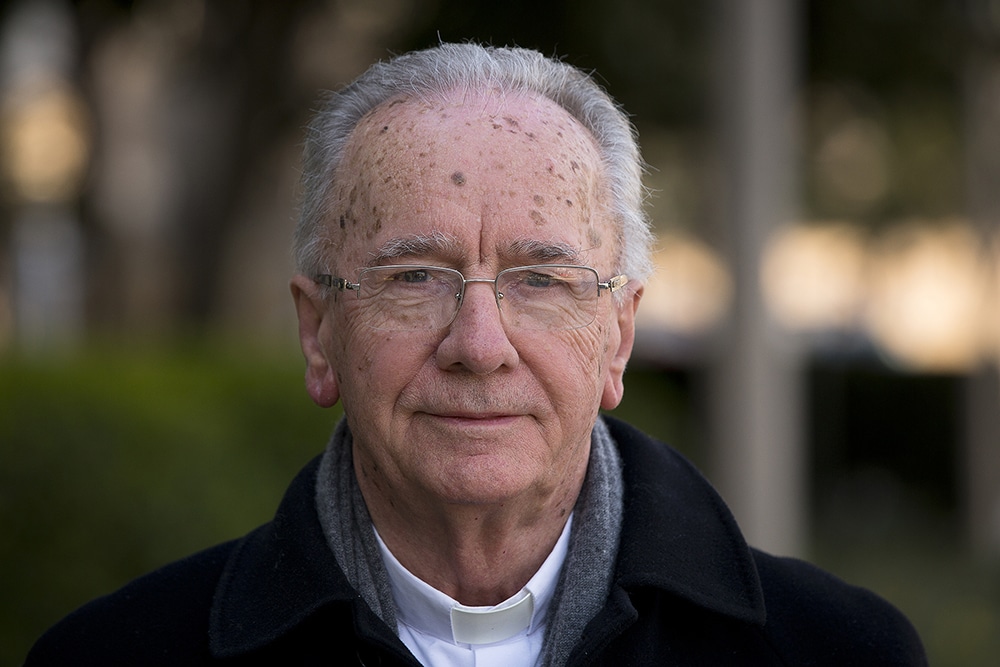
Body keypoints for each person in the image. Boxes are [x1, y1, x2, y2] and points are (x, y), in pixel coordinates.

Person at [25, 42, 926, 666]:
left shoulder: (842, 651)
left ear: (618, 334)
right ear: (317, 332)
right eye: (416, 276)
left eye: (542, 279)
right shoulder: (111, 655)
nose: (480, 347)